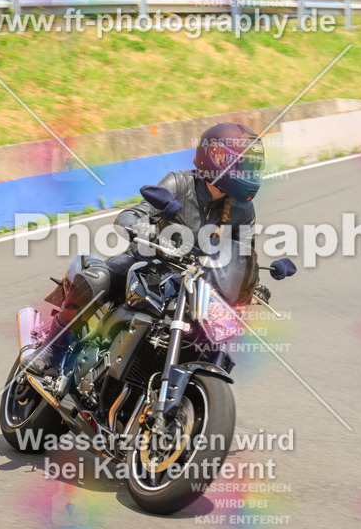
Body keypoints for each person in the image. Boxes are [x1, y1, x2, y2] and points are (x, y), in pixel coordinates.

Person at [26, 121, 268, 377]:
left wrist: (249, 284)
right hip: (147, 264)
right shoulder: (179, 183)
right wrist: (148, 232)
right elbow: (130, 215)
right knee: (97, 280)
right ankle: (52, 350)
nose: (248, 173)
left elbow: (242, 254)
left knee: (215, 332)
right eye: (243, 165)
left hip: (194, 283)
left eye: (252, 168)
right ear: (216, 158)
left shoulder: (243, 210)